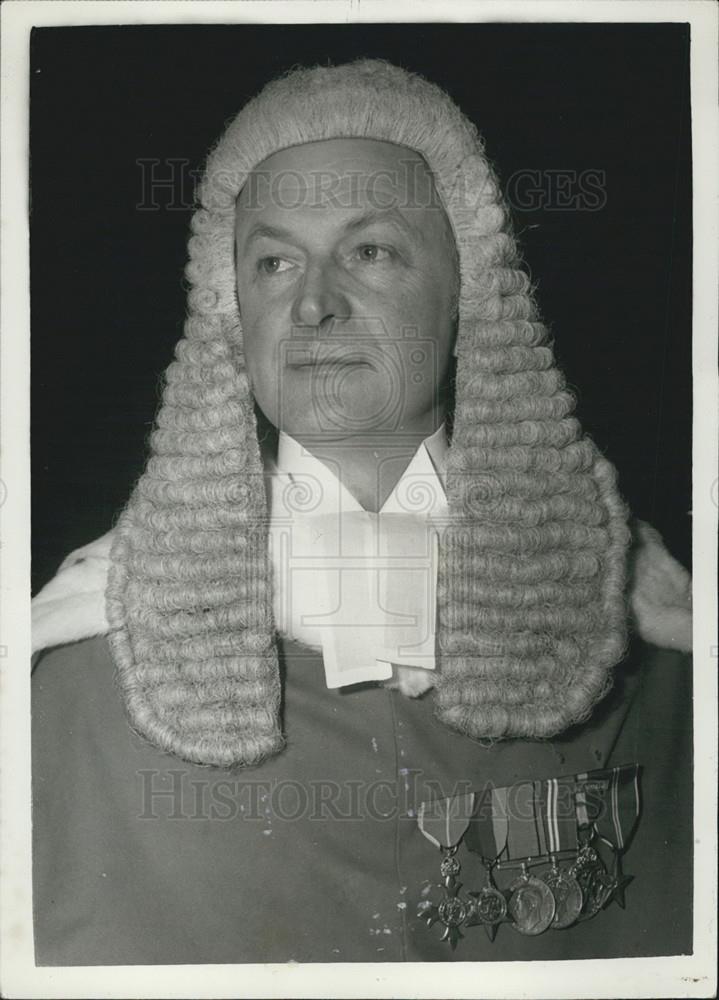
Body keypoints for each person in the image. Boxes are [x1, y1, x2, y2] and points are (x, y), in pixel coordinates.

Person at [31, 59, 693, 965]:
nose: (312, 303)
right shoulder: (74, 667)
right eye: (272, 262)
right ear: (230, 312)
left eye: (369, 250)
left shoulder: (662, 656)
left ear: (470, 291)